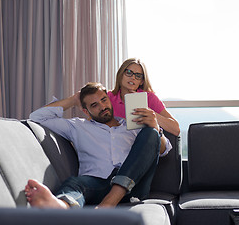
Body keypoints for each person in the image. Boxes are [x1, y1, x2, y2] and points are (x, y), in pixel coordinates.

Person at [25, 82, 169, 209]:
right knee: (74, 183)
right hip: (97, 184)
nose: (102, 106)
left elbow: (163, 149)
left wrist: (155, 127)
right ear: (86, 111)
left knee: (150, 132)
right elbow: (37, 117)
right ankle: (62, 208)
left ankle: (111, 200)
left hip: (134, 187)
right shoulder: (77, 126)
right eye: (95, 105)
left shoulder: (133, 126)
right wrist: (74, 99)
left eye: (104, 100)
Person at [108, 58, 180, 139]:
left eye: (138, 75)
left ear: (141, 81)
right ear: (121, 74)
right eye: (129, 72)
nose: (133, 77)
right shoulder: (108, 98)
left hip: (142, 143)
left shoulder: (149, 98)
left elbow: (176, 129)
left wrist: (152, 114)